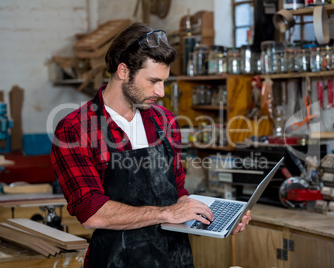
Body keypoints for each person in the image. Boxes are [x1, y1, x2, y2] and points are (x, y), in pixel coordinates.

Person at [51, 22, 251, 268]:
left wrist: (213, 219)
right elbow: (91, 212)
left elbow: (176, 192)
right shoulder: (76, 129)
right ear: (123, 71)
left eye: (164, 81)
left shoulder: (163, 120)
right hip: (117, 260)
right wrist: (165, 213)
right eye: (154, 81)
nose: (161, 91)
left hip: (174, 258)